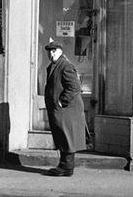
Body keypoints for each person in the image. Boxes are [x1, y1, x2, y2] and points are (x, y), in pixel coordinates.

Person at [43, 39, 86, 177]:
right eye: (49, 51)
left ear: (60, 51)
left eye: (54, 50)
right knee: (62, 136)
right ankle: (64, 165)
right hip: (61, 109)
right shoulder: (55, 65)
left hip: (67, 109)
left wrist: (62, 101)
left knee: (67, 137)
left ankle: (66, 167)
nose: (51, 53)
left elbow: (74, 87)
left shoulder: (65, 65)